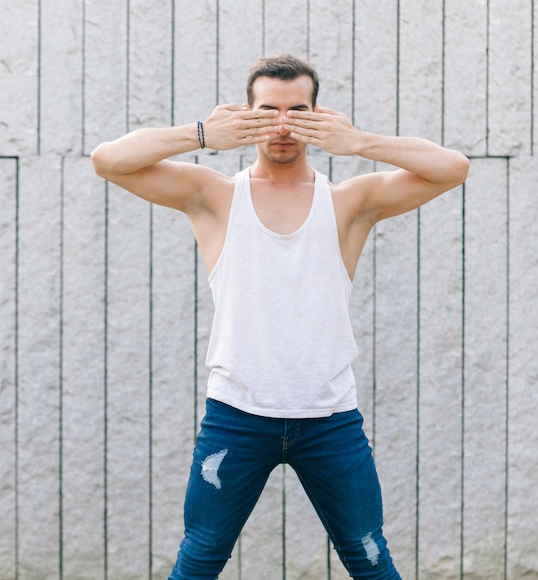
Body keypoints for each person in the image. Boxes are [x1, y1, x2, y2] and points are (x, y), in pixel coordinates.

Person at [91, 53, 469, 580]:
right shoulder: (215, 195)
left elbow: (455, 168)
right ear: (247, 115)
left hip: (330, 418)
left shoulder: (349, 201)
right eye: (268, 111)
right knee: (199, 559)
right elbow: (108, 159)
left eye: (298, 111)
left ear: (318, 114)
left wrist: (358, 142)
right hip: (237, 415)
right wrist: (202, 133)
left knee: (370, 556)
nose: (284, 125)